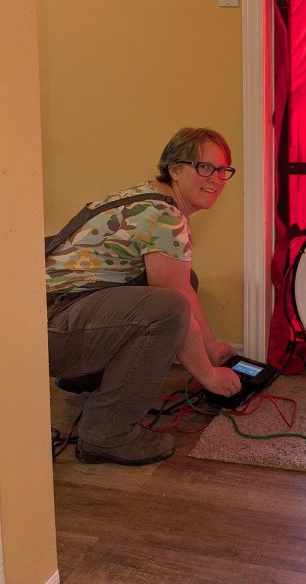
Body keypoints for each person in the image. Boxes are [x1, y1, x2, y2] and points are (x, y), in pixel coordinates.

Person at [46, 127, 242, 465]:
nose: (217, 179)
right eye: (204, 167)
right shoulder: (165, 218)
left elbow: (180, 286)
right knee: (167, 307)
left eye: (223, 170)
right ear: (175, 169)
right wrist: (208, 376)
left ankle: (87, 378)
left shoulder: (145, 198)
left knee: (182, 283)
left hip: (49, 314)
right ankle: (108, 435)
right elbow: (174, 303)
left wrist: (212, 348)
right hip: (50, 329)